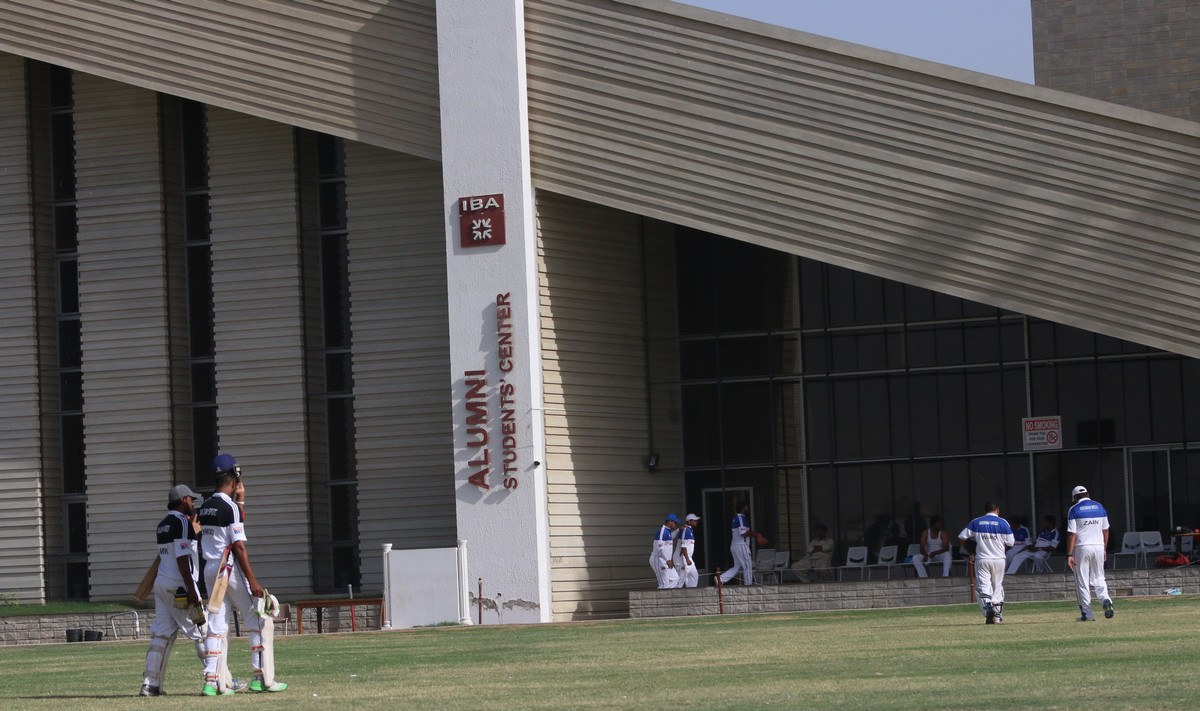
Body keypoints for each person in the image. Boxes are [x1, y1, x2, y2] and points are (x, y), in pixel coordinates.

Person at [199, 454, 287, 695]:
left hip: (210, 569)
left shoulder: (205, 506)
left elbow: (234, 520)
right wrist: (253, 581)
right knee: (260, 618)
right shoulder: (229, 507)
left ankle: (211, 682)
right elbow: (238, 545)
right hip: (229, 569)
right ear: (233, 477)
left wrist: (240, 499)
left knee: (216, 626)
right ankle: (262, 678)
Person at [139, 484, 208, 697]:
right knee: (202, 632)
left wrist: (193, 534)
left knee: (161, 635)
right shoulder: (182, 522)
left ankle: (150, 685)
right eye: (191, 499)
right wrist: (191, 589)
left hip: (162, 584)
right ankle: (216, 679)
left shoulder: (163, 525)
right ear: (183, 500)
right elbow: (182, 558)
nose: (194, 503)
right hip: (180, 587)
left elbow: (172, 552)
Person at [959, 501, 1014, 624]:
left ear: (986, 510)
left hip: (982, 559)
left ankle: (988, 607)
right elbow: (1011, 542)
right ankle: (998, 617)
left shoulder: (976, 522)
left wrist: (970, 551)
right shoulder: (1003, 522)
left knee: (983, 585)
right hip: (999, 559)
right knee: (997, 587)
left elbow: (962, 537)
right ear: (997, 510)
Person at [1066, 485, 1114, 621]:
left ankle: (1087, 614)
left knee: (1082, 581)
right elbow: (1106, 530)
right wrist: (1104, 548)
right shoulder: (1100, 507)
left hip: (1081, 547)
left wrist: (1069, 554)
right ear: (1087, 494)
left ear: (1075, 497)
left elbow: (1072, 534)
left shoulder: (1074, 509)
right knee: (1099, 577)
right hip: (1098, 546)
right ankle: (1105, 598)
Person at [718, 501, 756, 587]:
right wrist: (756, 535)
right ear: (743, 508)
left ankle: (721, 579)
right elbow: (743, 533)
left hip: (735, 545)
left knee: (738, 566)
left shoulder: (736, 518)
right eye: (746, 506)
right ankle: (748, 585)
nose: (747, 508)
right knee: (747, 565)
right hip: (741, 545)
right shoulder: (740, 518)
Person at [650, 513, 680, 589]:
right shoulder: (662, 531)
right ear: (670, 521)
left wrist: (678, 530)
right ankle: (663, 594)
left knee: (675, 579)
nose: (676, 524)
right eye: (675, 522)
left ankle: (666, 594)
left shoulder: (668, 531)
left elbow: (670, 537)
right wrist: (667, 560)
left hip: (666, 561)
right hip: (658, 559)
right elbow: (659, 548)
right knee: (663, 584)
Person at [673, 514, 700, 588]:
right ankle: (674, 594)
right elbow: (683, 547)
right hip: (681, 559)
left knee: (694, 576)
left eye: (696, 520)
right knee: (680, 580)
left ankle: (691, 592)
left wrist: (688, 559)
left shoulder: (690, 530)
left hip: (688, 558)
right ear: (689, 521)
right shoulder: (686, 530)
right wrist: (687, 559)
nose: (696, 522)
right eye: (694, 520)